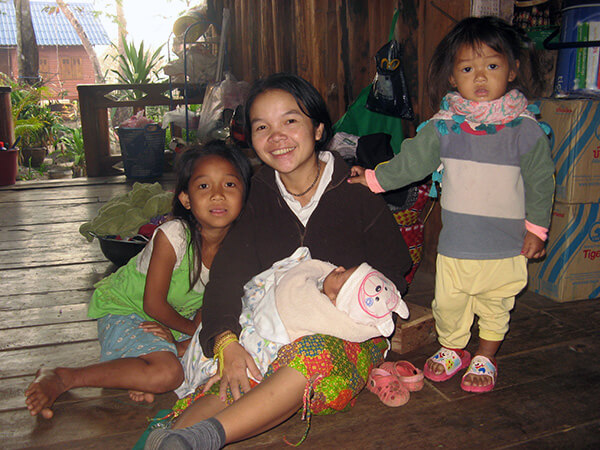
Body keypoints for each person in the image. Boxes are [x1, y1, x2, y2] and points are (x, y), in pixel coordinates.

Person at [144, 73, 411, 449]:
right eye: (262, 127)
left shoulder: (357, 194)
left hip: (342, 336)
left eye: (290, 121)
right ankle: (173, 440)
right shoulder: (254, 199)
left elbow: (394, 273)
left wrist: (348, 300)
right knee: (237, 367)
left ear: (318, 128)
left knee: (311, 354)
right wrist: (226, 343)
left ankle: (207, 438)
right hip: (266, 330)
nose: (276, 137)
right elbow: (225, 279)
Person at [348, 16, 555, 393]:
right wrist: (373, 179)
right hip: (457, 245)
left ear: (512, 70)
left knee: (496, 305)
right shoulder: (444, 128)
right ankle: (453, 348)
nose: (479, 77)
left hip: (505, 245)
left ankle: (486, 355)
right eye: (467, 68)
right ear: (452, 77)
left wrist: (536, 229)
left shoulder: (525, 129)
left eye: (491, 66)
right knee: (448, 303)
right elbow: (410, 163)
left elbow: (541, 182)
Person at [24, 141, 252, 419]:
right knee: (169, 373)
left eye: (229, 185)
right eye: (204, 186)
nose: (217, 195)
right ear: (186, 199)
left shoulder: (239, 249)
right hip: (128, 310)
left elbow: (215, 302)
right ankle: (63, 377)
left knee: (230, 347)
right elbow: (153, 304)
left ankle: (138, 369)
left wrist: (190, 332)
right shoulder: (175, 235)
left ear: (245, 194)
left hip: (177, 320)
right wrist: (192, 332)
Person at [176, 247, 410, 399]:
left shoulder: (308, 304)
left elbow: (289, 296)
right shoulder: (324, 287)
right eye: (343, 269)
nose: (337, 267)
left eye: (340, 274)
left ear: (334, 299)